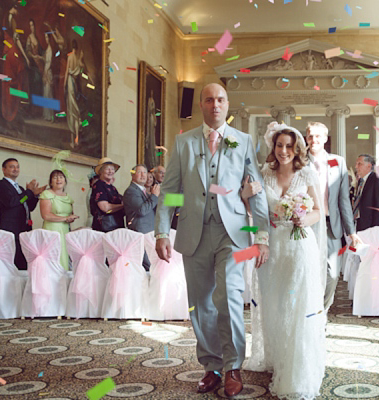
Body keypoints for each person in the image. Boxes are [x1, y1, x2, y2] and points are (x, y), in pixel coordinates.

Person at [154, 83, 269, 397]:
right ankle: (211, 367)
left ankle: (233, 366)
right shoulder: (184, 142)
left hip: (233, 234)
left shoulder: (244, 141)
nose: (215, 104)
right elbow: (171, 191)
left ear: (227, 104)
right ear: (201, 105)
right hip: (194, 233)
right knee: (200, 303)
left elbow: (255, 189)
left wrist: (262, 235)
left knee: (229, 299)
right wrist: (162, 231)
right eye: (209, 99)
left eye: (220, 99)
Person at [242, 122, 326, 399]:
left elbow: (318, 211)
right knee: (274, 304)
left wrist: (306, 218)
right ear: (273, 147)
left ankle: (295, 367)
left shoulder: (306, 173)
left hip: (299, 246)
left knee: (295, 304)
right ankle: (278, 357)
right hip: (271, 247)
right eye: (279, 145)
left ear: (297, 148)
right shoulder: (264, 174)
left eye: (289, 146)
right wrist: (244, 198)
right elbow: (255, 213)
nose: (284, 151)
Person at [304, 121, 361, 313]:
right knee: (308, 269)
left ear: (326, 139)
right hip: (307, 224)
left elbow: (344, 200)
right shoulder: (299, 162)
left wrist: (351, 232)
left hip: (331, 225)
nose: (313, 140)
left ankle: (322, 310)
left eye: (318, 136)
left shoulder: (339, 162)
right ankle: (311, 312)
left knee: (333, 272)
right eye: (310, 136)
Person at [0, 158, 45, 269]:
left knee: (22, 264)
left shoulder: (20, 189)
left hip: (23, 230)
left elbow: (29, 207)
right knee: (10, 264)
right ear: (3, 169)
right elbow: (11, 202)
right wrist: (29, 192)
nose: (16, 169)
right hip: (10, 230)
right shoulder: (1, 185)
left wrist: (35, 195)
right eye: (12, 166)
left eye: (17, 167)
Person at [39, 169, 79, 270]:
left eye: (61, 177)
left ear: (65, 181)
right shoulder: (46, 194)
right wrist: (65, 218)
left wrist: (71, 218)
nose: (58, 180)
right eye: (55, 177)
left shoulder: (68, 197)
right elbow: (46, 215)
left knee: (65, 256)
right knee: (54, 257)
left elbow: (70, 214)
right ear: (50, 181)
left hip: (65, 229)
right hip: (52, 229)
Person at [123, 164, 159, 270]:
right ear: (132, 175)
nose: (143, 175)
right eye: (139, 172)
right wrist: (154, 196)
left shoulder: (143, 191)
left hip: (150, 231)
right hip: (141, 231)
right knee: (147, 265)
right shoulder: (131, 191)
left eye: (145, 172)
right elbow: (142, 210)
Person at [352, 154, 379, 231]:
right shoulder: (361, 181)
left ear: (368, 166)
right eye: (356, 164)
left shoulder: (376, 179)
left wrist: (376, 229)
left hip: (370, 226)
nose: (356, 167)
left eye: (359, 164)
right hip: (360, 223)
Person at [90, 157, 125, 232]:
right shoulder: (99, 185)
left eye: (112, 169)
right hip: (104, 228)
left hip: (115, 226)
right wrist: (123, 206)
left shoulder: (112, 188)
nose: (110, 171)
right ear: (101, 171)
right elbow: (105, 208)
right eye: (107, 169)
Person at [64, 38, 84, 147]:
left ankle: (73, 140)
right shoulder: (77, 58)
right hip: (75, 85)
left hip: (71, 84)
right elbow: (81, 70)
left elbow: (67, 71)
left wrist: (64, 85)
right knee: (75, 114)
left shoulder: (70, 57)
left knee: (72, 111)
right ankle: (76, 139)